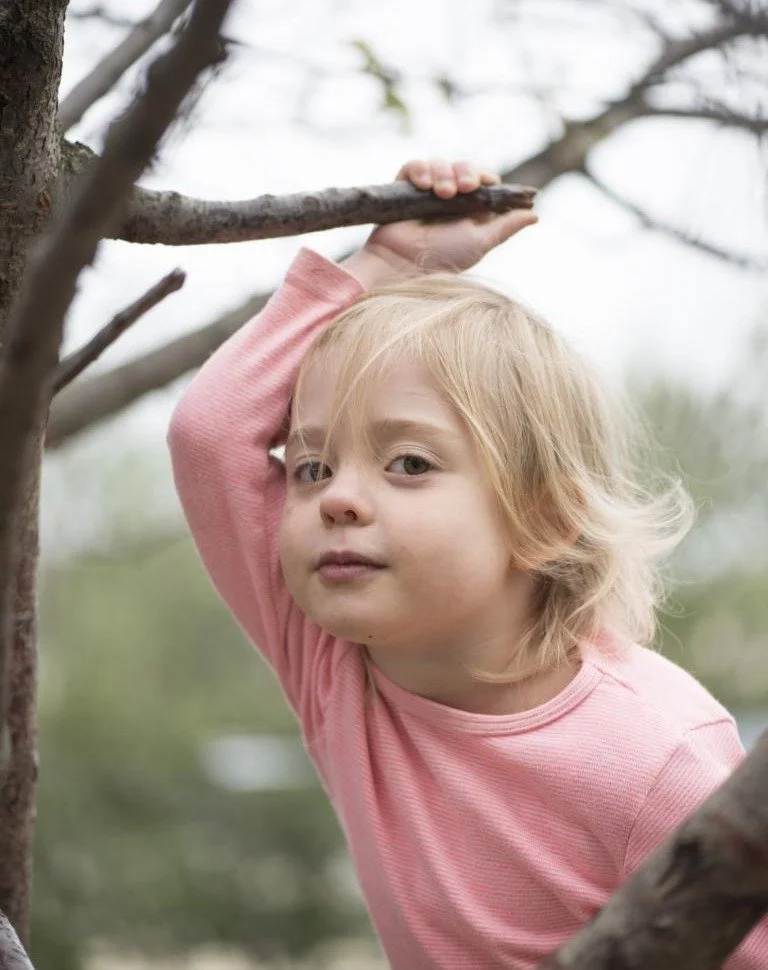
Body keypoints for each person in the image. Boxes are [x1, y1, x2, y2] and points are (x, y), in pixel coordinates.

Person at [167, 158, 767, 969]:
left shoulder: (654, 758)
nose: (337, 498)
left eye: (408, 464)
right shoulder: (335, 661)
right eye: (311, 467)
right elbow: (211, 436)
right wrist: (385, 267)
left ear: (545, 519)